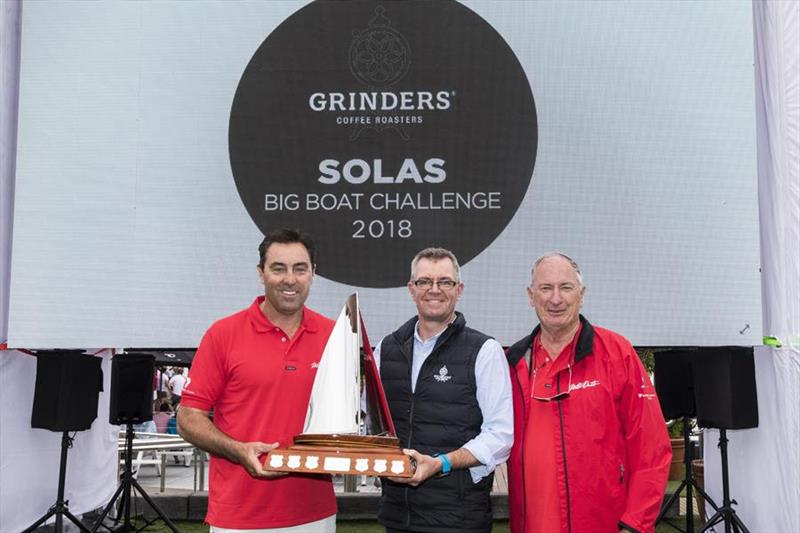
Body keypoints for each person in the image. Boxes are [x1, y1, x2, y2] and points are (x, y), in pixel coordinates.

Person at [177, 229, 336, 532]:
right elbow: (188, 417)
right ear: (261, 273)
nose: (289, 279)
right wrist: (239, 450)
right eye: (278, 268)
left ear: (313, 274)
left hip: (315, 514)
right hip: (239, 516)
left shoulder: (334, 335)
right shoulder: (223, 334)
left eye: (300, 269)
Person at [506, 252, 671, 533]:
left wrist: (635, 525)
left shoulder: (618, 354)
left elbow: (651, 449)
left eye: (566, 287)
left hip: (603, 524)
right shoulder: (513, 363)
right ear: (531, 296)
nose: (555, 298)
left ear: (581, 295)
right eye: (545, 288)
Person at [374, 247, 513, 533]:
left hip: (459, 520)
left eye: (445, 282)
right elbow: (370, 427)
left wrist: (441, 463)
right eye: (424, 281)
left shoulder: (484, 351)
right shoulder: (385, 350)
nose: (434, 290)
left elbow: (500, 437)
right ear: (411, 289)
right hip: (398, 517)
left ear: (458, 289)